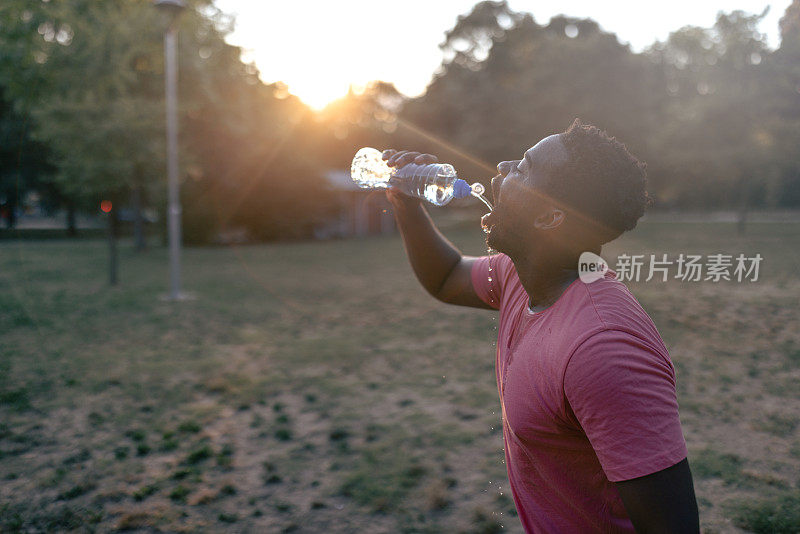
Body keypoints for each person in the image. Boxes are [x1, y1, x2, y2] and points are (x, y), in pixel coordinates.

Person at [382, 119, 699, 533]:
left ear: (550, 217)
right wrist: (407, 206)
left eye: (524, 168)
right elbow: (446, 279)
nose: (501, 166)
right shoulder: (521, 275)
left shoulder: (604, 351)